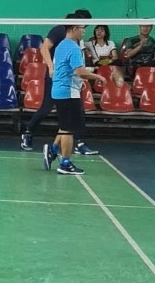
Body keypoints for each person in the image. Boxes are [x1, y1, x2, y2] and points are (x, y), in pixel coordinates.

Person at [21, 9, 97, 155]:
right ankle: (28, 132)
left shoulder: (76, 36)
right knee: (46, 108)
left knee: (78, 111)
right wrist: (51, 67)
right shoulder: (59, 30)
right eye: (84, 24)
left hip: (70, 80)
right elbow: (44, 48)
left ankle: (80, 142)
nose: (85, 28)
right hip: (56, 76)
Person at [43, 21, 108, 176]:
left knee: (66, 125)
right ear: (74, 29)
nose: (84, 32)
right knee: (68, 129)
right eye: (82, 29)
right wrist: (98, 77)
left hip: (61, 89)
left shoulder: (61, 45)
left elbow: (68, 69)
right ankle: (65, 163)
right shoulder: (73, 47)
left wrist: (79, 81)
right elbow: (79, 71)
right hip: (67, 92)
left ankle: (53, 150)